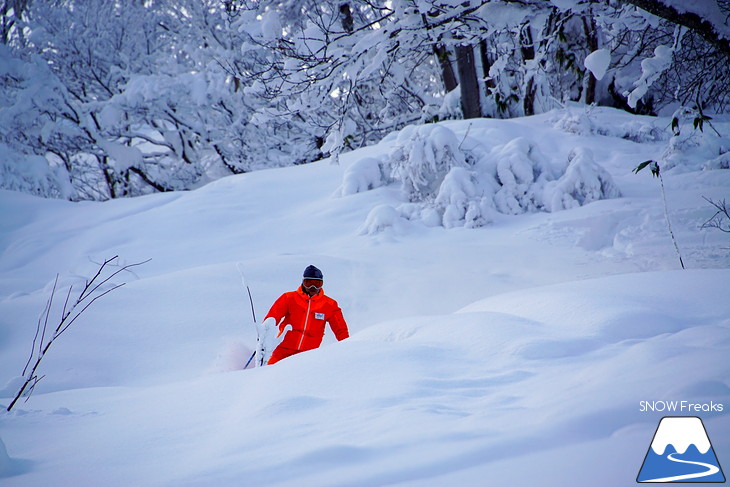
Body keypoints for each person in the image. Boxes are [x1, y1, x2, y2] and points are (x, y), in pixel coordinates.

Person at [265, 265, 349, 364]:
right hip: (283, 350)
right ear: (303, 282)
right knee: (269, 372)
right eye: (309, 283)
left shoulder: (329, 305)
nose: (313, 287)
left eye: (317, 284)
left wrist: (347, 348)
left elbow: (341, 330)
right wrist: (264, 337)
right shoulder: (288, 298)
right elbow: (271, 319)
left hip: (308, 355)